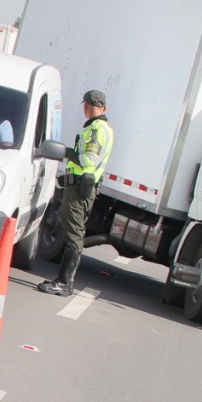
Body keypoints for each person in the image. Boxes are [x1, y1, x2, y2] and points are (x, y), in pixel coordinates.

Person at [38, 88, 114, 297]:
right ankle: (64, 282)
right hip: (80, 186)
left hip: (81, 189)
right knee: (72, 231)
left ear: (87, 106)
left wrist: (65, 153)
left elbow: (88, 159)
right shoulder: (100, 128)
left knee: (73, 234)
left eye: (86, 105)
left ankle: (64, 282)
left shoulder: (97, 130)